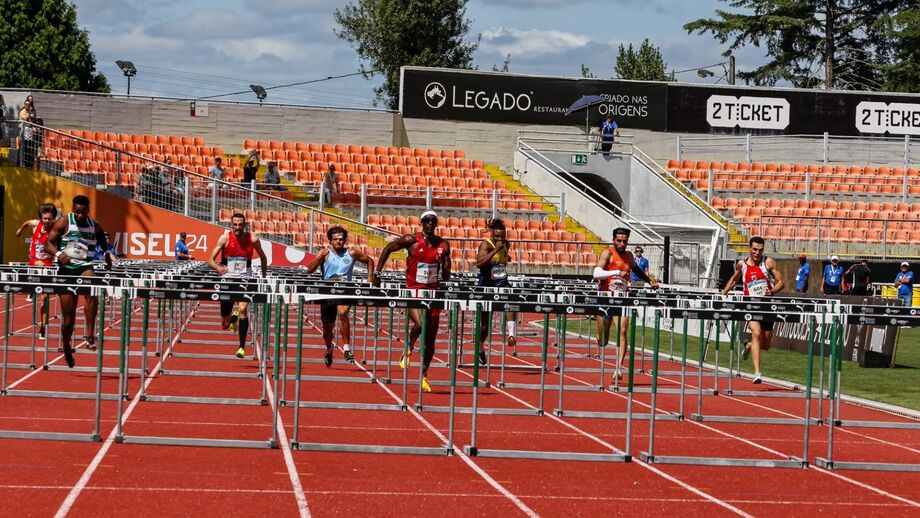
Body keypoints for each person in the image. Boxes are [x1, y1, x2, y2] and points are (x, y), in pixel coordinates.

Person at [375, 210, 451, 393]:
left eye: (433, 221)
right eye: (427, 221)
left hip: (433, 292)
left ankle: (424, 375)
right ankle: (409, 345)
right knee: (420, 323)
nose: (430, 224)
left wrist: (444, 265)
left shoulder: (443, 245)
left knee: (431, 338)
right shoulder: (411, 240)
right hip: (413, 290)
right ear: (421, 223)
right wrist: (378, 272)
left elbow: (447, 277)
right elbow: (388, 248)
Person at [43, 195, 113, 368]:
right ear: (73, 210)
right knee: (68, 319)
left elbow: (101, 237)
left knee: (92, 288)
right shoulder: (64, 221)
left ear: (88, 210)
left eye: (83, 212)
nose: (80, 215)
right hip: (66, 270)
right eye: (77, 212)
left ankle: (89, 334)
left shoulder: (94, 224)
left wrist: (106, 254)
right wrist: (59, 254)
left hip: (85, 266)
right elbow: (48, 244)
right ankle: (67, 347)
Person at [592, 227, 659, 380]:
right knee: (603, 341)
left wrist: (650, 282)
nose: (622, 244)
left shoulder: (629, 256)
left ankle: (619, 368)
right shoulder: (608, 253)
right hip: (605, 298)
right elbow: (596, 273)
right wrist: (616, 272)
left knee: (622, 331)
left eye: (625, 241)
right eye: (619, 241)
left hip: (622, 299)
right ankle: (600, 336)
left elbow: (637, 270)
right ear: (613, 240)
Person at [306, 225, 377, 366]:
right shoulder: (324, 253)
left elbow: (370, 260)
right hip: (327, 292)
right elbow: (309, 270)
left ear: (345, 240)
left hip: (345, 290)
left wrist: (370, 278)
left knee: (343, 313)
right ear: (330, 241)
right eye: (335, 239)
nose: (338, 241)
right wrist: (319, 258)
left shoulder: (351, 253)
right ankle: (329, 349)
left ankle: (346, 348)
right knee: (327, 331)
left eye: (341, 239)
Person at [721, 236, 785, 384]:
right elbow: (735, 279)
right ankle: (757, 373)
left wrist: (772, 291)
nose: (757, 253)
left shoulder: (768, 263)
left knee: (766, 345)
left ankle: (749, 345)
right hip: (750, 306)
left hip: (767, 307)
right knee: (756, 333)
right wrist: (724, 293)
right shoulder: (742, 264)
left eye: (760, 250)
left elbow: (782, 282)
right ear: (749, 248)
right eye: (755, 249)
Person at [207, 212, 268, 359]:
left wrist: (264, 278)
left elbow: (263, 258)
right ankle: (232, 319)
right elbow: (210, 260)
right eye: (235, 224)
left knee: (243, 309)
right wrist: (218, 268)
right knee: (225, 324)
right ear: (231, 225)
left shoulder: (253, 239)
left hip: (245, 278)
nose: (238, 227)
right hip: (228, 279)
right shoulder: (225, 238)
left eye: (240, 224)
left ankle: (241, 347)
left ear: (245, 225)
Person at [475, 218, 517, 366]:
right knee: (485, 325)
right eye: (497, 236)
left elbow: (502, 258)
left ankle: (511, 334)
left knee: (512, 300)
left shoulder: (506, 244)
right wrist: (495, 250)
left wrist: (506, 257)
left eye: (502, 236)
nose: (500, 239)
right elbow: (479, 263)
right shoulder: (486, 245)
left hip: (502, 281)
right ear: (492, 233)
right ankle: (480, 348)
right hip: (486, 283)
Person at [15, 204, 59, 338]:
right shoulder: (35, 224)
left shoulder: (56, 229)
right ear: (41, 218)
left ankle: (43, 327)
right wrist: (20, 230)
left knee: (44, 298)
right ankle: (32, 290)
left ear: (53, 219)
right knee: (37, 273)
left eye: (49, 219)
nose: (46, 221)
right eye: (44, 218)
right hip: (34, 260)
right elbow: (27, 223)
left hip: (47, 263)